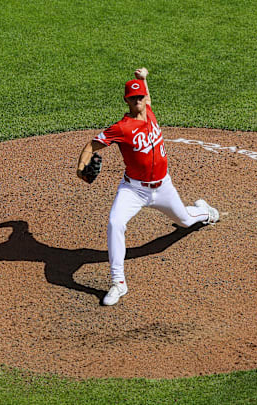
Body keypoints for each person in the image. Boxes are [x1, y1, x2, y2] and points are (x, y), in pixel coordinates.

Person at [76, 68, 219, 306]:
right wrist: (80, 169)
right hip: (133, 190)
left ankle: (205, 211)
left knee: (184, 220)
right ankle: (118, 282)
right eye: (134, 98)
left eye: (141, 96)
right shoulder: (121, 128)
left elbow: (149, 97)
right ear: (127, 100)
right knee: (115, 223)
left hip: (163, 187)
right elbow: (92, 145)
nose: (139, 100)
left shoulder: (150, 111)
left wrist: (143, 78)